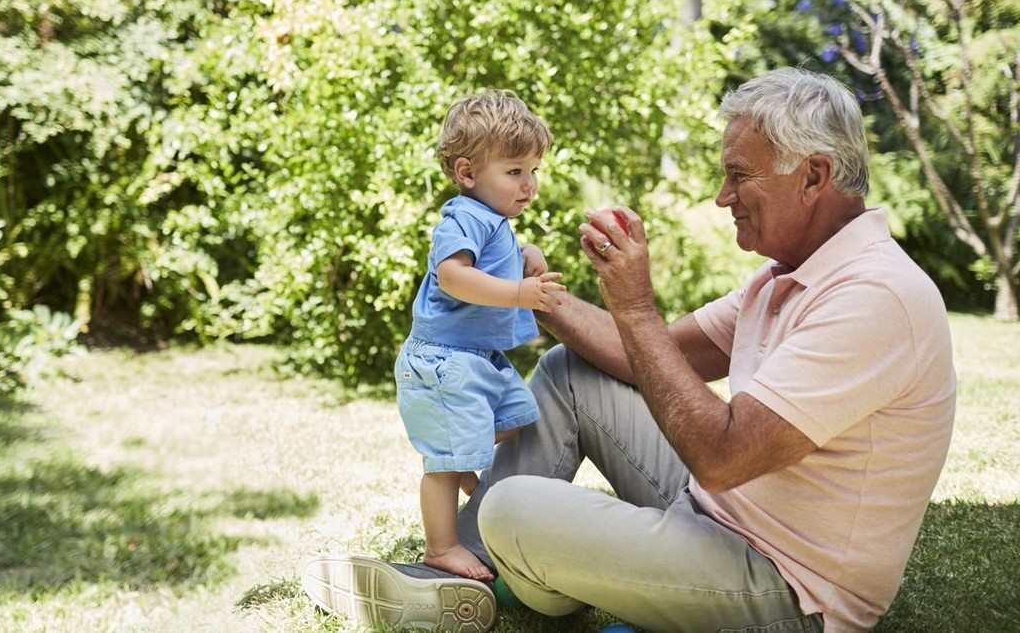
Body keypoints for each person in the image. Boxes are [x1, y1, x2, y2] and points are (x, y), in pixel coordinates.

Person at [302, 68, 956, 633]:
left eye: (738, 176)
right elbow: (653, 359)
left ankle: (519, 563)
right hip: (716, 511)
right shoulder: (787, 275)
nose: (722, 197)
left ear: (813, 176)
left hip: (787, 589)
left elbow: (724, 457)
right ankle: (458, 570)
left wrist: (635, 305)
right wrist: (539, 298)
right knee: (568, 372)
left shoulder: (874, 294)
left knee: (513, 508)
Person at [394, 90, 564, 581]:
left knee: (517, 421)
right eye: (515, 172)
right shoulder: (464, 217)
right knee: (442, 467)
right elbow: (452, 276)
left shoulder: (493, 222)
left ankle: (465, 463)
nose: (529, 184)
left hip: (476, 359)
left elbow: (490, 260)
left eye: (533, 170)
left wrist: (525, 252)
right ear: (467, 173)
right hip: (444, 359)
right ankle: (441, 546)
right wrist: (518, 291)